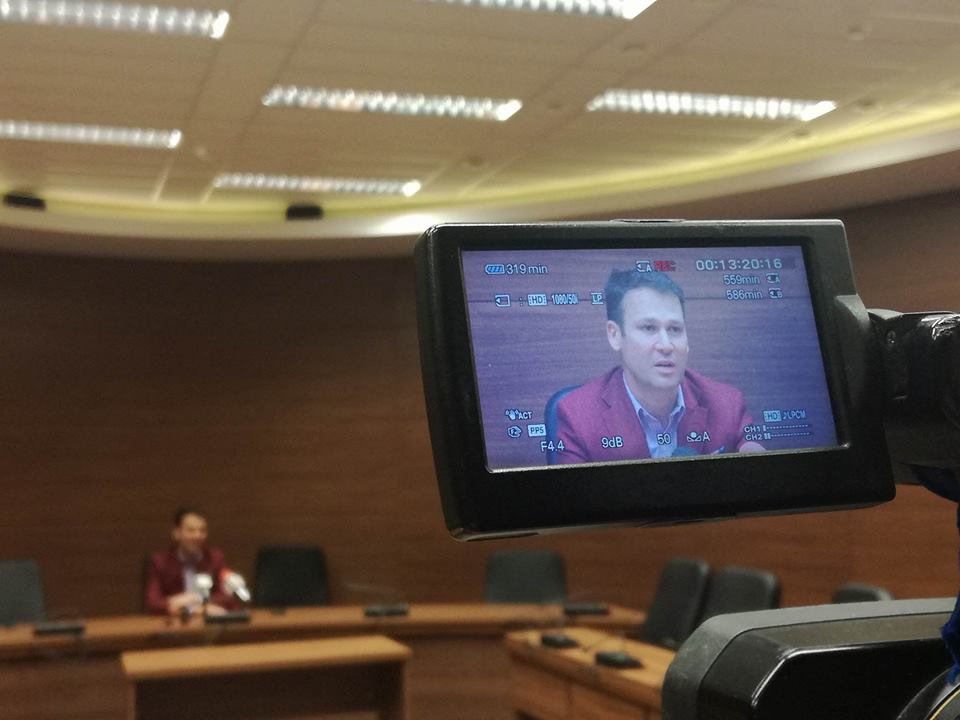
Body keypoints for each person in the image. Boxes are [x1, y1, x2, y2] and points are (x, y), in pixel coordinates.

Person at [554, 269, 764, 463]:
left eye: (674, 329)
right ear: (615, 335)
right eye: (649, 328)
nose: (666, 345)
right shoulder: (578, 416)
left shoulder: (727, 403)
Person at [144, 507, 237, 616]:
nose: (197, 536)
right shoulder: (160, 562)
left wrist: (196, 600)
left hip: (208, 624)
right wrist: (186, 604)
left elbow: (228, 597)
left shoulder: (215, 559)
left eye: (202, 531)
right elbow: (153, 603)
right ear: (176, 533)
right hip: (174, 624)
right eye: (191, 530)